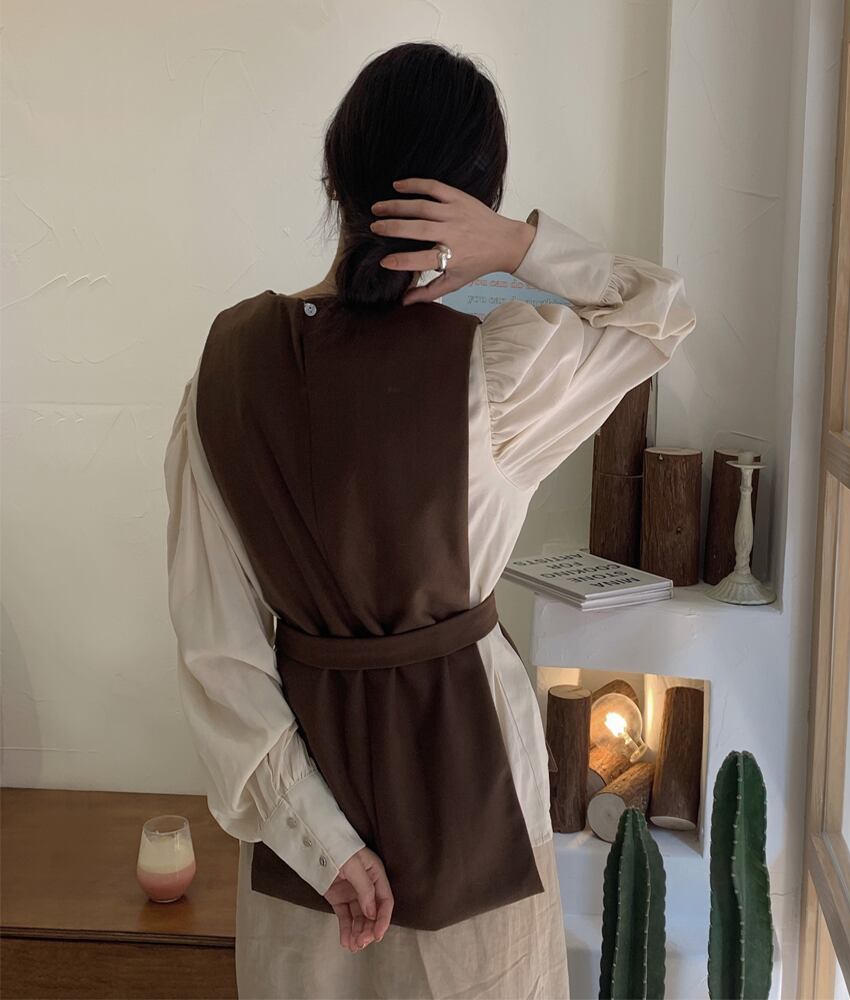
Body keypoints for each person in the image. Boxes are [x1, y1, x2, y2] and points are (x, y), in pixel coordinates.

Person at [164, 40, 696, 1000]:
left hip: (305, 836)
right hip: (474, 793)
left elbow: (218, 654)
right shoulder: (500, 375)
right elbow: (660, 310)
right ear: (473, 202)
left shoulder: (227, 371)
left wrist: (322, 840)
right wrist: (518, 245)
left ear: (334, 179)